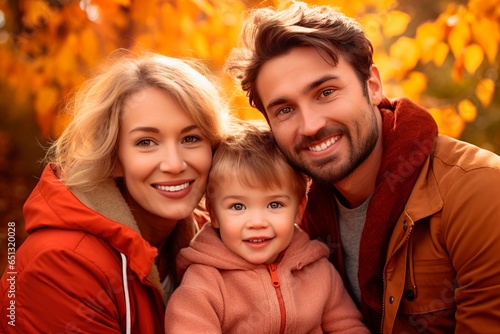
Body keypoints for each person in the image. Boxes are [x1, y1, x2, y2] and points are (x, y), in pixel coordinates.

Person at [224, 2, 500, 333]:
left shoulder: (479, 192)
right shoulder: (291, 222)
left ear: (372, 86)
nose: (310, 125)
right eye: (284, 110)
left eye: (326, 92)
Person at [0, 50, 229, 333]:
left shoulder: (219, 238)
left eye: (191, 138)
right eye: (146, 142)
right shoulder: (58, 267)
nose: (174, 164)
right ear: (114, 157)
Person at [164, 121, 370, 333]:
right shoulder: (204, 282)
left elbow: (347, 327)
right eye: (237, 206)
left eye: (274, 205)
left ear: (299, 210)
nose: (257, 222)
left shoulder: (318, 271)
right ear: (214, 214)